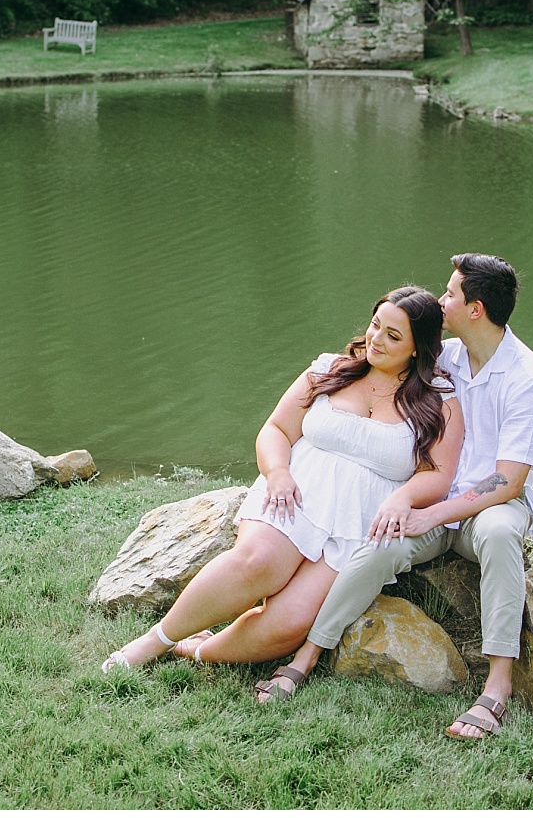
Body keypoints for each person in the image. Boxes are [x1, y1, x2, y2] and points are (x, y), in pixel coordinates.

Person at [101, 285, 463, 701]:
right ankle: (154, 640)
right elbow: (275, 430)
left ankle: (197, 649)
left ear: (418, 349)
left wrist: (403, 498)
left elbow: (437, 475)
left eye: (393, 336)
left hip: (357, 521)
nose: (375, 340)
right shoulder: (330, 369)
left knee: (289, 623)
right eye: (375, 325)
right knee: (257, 564)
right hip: (298, 492)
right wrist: (277, 472)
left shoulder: (439, 401)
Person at [260, 253, 533, 739]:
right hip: (430, 501)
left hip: (489, 507)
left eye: (451, 293)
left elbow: (509, 481)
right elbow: (374, 373)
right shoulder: (446, 359)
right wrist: (405, 502)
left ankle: (497, 684)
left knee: (501, 534)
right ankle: (308, 654)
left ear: (475, 308)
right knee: (378, 542)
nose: (442, 300)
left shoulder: (528, 377)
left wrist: (431, 513)